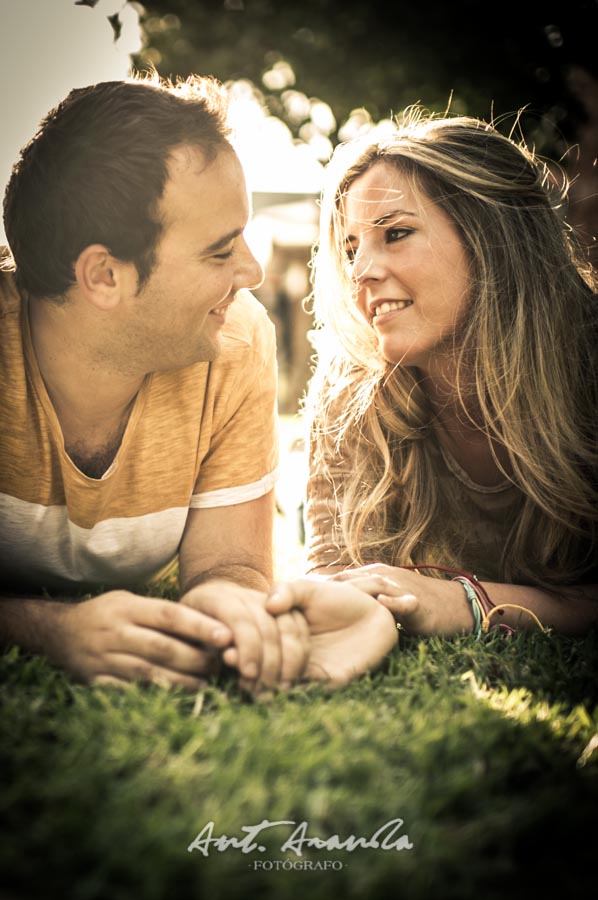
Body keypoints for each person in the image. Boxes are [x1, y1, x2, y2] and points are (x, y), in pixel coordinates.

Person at [299, 109, 598, 649]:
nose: (360, 269)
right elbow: (333, 574)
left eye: (395, 233)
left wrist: (465, 602)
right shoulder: (351, 388)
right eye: (350, 247)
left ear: (492, 238)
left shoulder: (587, 364)